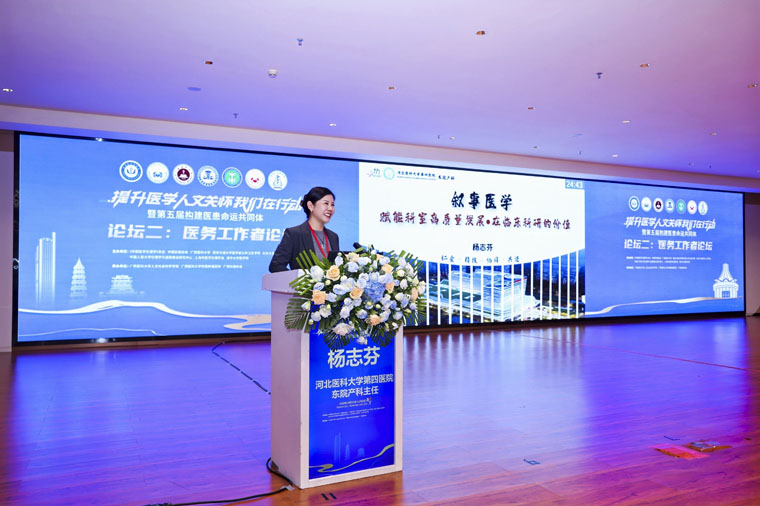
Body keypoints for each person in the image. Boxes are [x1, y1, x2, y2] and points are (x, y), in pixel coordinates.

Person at [268, 186, 340, 272]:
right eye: (326, 203)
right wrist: (301, 277)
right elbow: (275, 266)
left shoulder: (333, 237)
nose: (330, 208)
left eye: (332, 204)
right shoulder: (294, 234)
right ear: (311, 206)